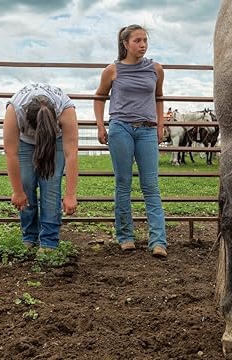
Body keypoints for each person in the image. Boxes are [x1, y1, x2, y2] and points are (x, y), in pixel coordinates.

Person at [94, 24, 167, 258]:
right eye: (137, 41)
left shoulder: (155, 69)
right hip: (120, 129)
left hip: (147, 130)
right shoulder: (112, 70)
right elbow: (99, 98)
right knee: (123, 183)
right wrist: (100, 125)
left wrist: (160, 125)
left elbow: (158, 98)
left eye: (145, 40)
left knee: (151, 186)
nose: (142, 45)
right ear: (125, 44)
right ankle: (125, 236)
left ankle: (158, 241)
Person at [3, 83, 78, 252]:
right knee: (26, 183)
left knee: (51, 185)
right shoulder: (15, 110)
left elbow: (71, 153)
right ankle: (29, 235)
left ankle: (49, 241)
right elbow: (11, 153)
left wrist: (71, 194)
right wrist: (18, 191)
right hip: (24, 143)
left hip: (54, 140)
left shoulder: (65, 110)